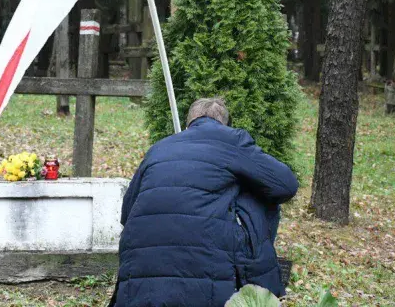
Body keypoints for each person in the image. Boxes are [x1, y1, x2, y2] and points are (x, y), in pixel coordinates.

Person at [109, 98, 298, 307]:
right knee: (254, 191)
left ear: (189, 122)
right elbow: (285, 185)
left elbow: (127, 212)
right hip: (209, 272)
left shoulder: (158, 149)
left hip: (139, 276)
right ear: (224, 123)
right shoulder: (232, 140)